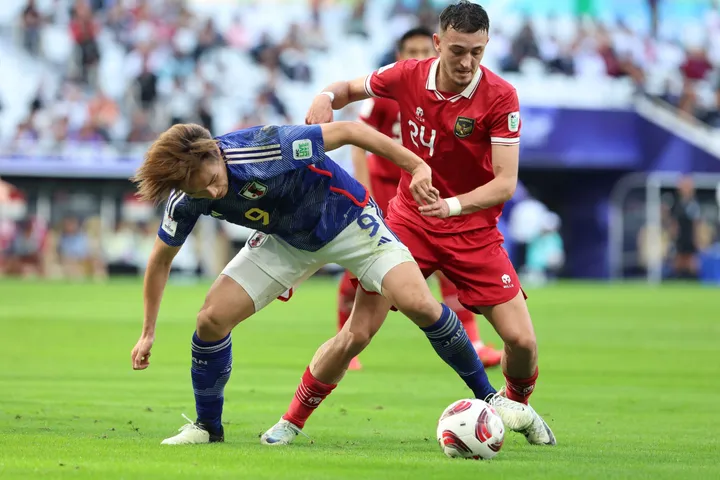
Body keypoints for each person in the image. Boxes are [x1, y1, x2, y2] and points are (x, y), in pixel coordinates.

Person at [262, 0, 555, 447]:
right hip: (407, 226)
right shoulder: (405, 75)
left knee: (524, 342)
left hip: (473, 231)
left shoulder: (500, 97)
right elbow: (345, 90)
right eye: (457, 50)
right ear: (437, 44)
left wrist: (453, 207)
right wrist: (323, 99)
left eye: (477, 51)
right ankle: (291, 420)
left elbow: (505, 183)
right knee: (357, 333)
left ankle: (518, 408)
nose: (467, 61)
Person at [129, 121, 527, 445]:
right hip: (287, 241)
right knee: (210, 320)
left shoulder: (269, 148)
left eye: (212, 179)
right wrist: (148, 332)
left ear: (214, 152)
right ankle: (207, 427)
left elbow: (351, 131)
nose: (212, 191)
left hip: (350, 221)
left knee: (418, 303)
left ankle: (487, 395)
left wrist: (416, 166)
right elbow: (160, 261)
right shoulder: (187, 196)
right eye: (200, 190)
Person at [339, 26, 502, 370]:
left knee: (447, 269)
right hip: (388, 187)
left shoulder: (449, 94)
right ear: (400, 57)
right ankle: (346, 340)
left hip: (427, 190)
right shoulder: (387, 93)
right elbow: (358, 138)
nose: (417, 57)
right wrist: (366, 192)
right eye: (410, 51)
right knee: (365, 266)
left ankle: (473, 341)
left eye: (423, 51)